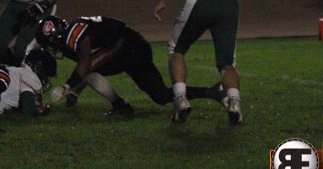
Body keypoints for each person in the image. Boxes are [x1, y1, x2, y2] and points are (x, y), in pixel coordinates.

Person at [36, 14, 223, 117]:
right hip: (122, 48)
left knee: (160, 95)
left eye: (50, 43)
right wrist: (74, 88)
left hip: (130, 47)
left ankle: (121, 106)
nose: (52, 47)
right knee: (161, 96)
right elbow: (86, 63)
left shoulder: (74, 34)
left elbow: (86, 61)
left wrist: (67, 86)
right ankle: (212, 92)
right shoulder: (72, 32)